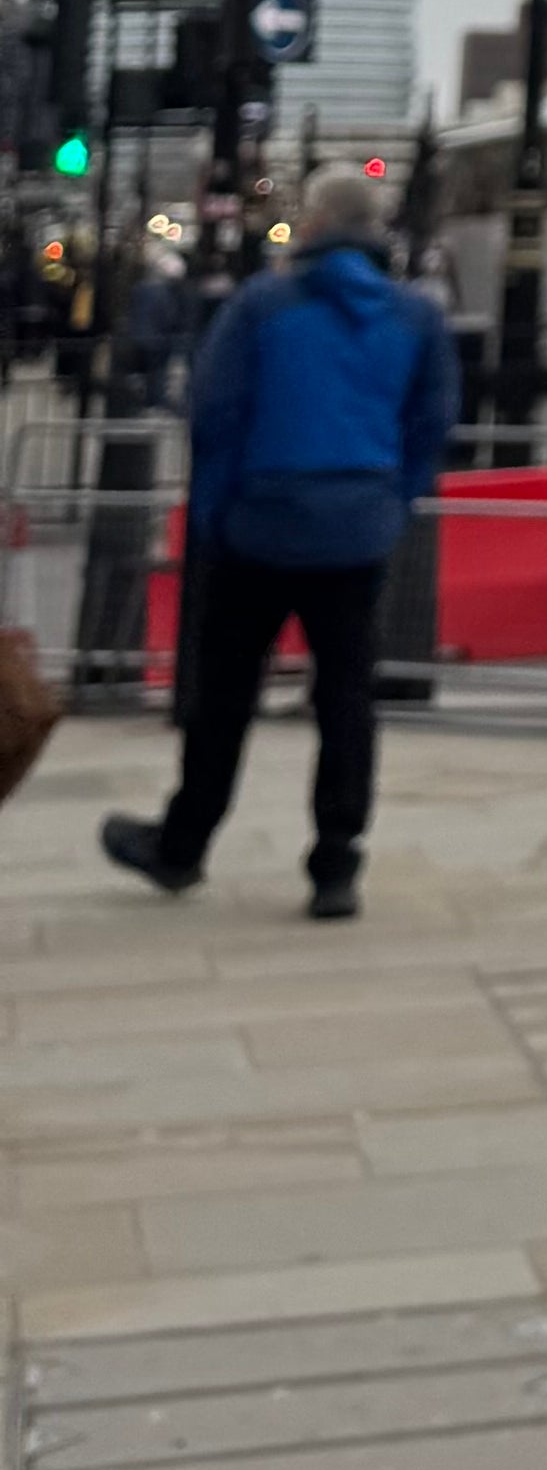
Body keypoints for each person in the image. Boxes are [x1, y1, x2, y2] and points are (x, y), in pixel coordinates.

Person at [104, 164, 454, 919]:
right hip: (358, 530)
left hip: (260, 526)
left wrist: (215, 518)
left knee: (225, 695)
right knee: (346, 699)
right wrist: (393, 500)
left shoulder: (264, 306)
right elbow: (431, 422)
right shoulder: (415, 317)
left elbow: (215, 414)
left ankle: (183, 844)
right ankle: (336, 865)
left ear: (317, 228)